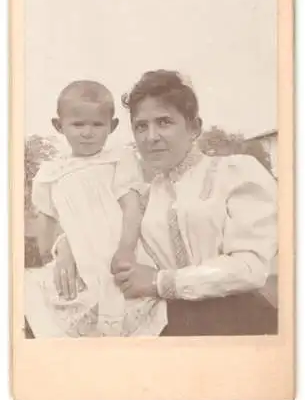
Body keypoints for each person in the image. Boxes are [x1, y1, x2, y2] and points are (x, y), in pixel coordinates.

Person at [55, 71, 278, 336]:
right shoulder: (143, 196)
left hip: (237, 320)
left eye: (164, 122)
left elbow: (250, 268)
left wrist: (159, 282)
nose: (151, 136)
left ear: (194, 127)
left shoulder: (234, 172)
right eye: (141, 126)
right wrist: (65, 245)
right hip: (169, 326)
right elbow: (100, 231)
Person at [31, 80, 167, 337]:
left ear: (112, 126)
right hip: (78, 257)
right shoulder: (50, 173)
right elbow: (46, 220)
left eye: (97, 124)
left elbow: (131, 208)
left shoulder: (119, 160)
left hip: (116, 250)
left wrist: (126, 249)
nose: (87, 133)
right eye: (78, 124)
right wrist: (56, 255)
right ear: (59, 126)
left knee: (124, 308)